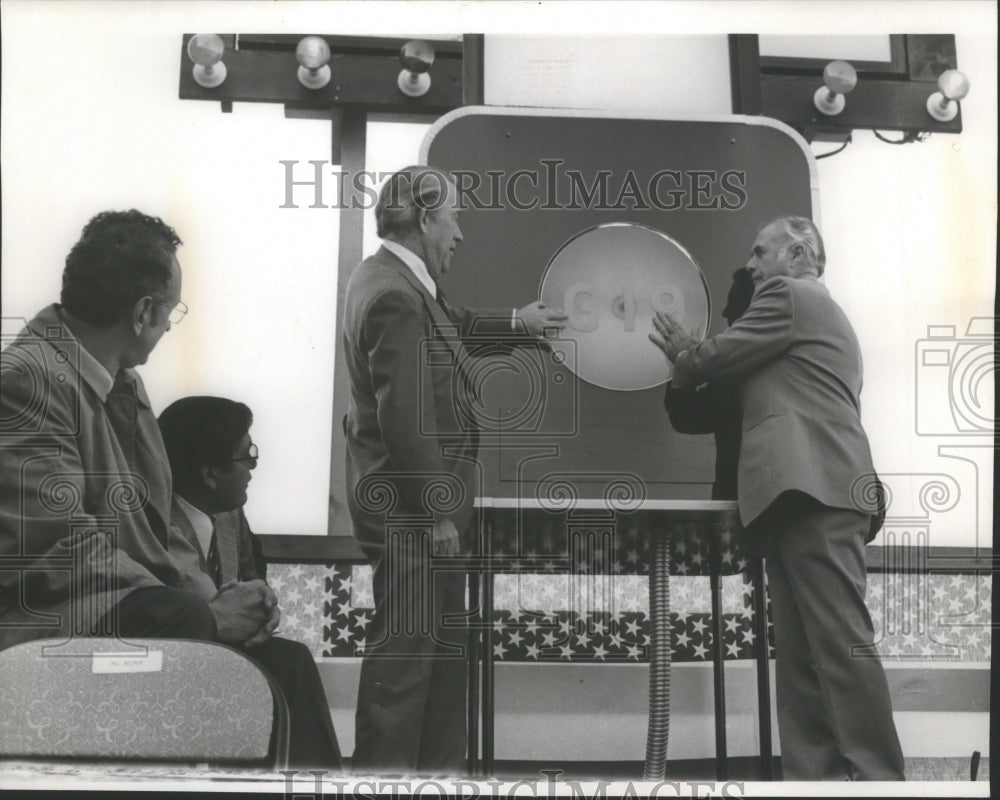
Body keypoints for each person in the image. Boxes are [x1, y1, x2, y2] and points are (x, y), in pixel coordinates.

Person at [650, 216, 904, 781]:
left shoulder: (791, 295)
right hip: (799, 495)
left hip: (816, 491)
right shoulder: (798, 319)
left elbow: (714, 357)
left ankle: (880, 781)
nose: (752, 265)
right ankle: (814, 783)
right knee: (802, 657)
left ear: (798, 254)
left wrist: (688, 353)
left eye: (761, 253)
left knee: (836, 646)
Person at [342, 165, 567, 774]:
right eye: (454, 218)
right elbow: (404, 417)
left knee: (436, 661)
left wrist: (518, 323)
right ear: (423, 218)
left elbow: (454, 326)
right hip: (417, 512)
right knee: (410, 666)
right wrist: (439, 511)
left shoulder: (395, 282)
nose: (460, 234)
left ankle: (432, 781)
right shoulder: (394, 293)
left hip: (415, 509)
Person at [0, 209, 218, 649]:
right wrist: (200, 606)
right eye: (170, 313)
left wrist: (213, 595)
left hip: (110, 602)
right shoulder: (27, 380)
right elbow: (58, 548)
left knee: (283, 658)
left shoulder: (123, 384)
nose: (167, 329)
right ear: (142, 313)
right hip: (31, 618)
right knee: (181, 619)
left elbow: (153, 529)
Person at [158, 395, 342, 769]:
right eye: (247, 456)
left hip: (226, 652)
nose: (253, 466)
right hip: (174, 662)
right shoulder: (156, 524)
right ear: (210, 474)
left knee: (290, 660)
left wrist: (265, 608)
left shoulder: (229, 515)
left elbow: (252, 577)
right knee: (288, 662)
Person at [664, 267, 755, 501]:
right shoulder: (736, 372)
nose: (725, 312)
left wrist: (689, 361)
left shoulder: (745, 374)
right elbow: (685, 417)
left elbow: (687, 416)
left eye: (734, 302)